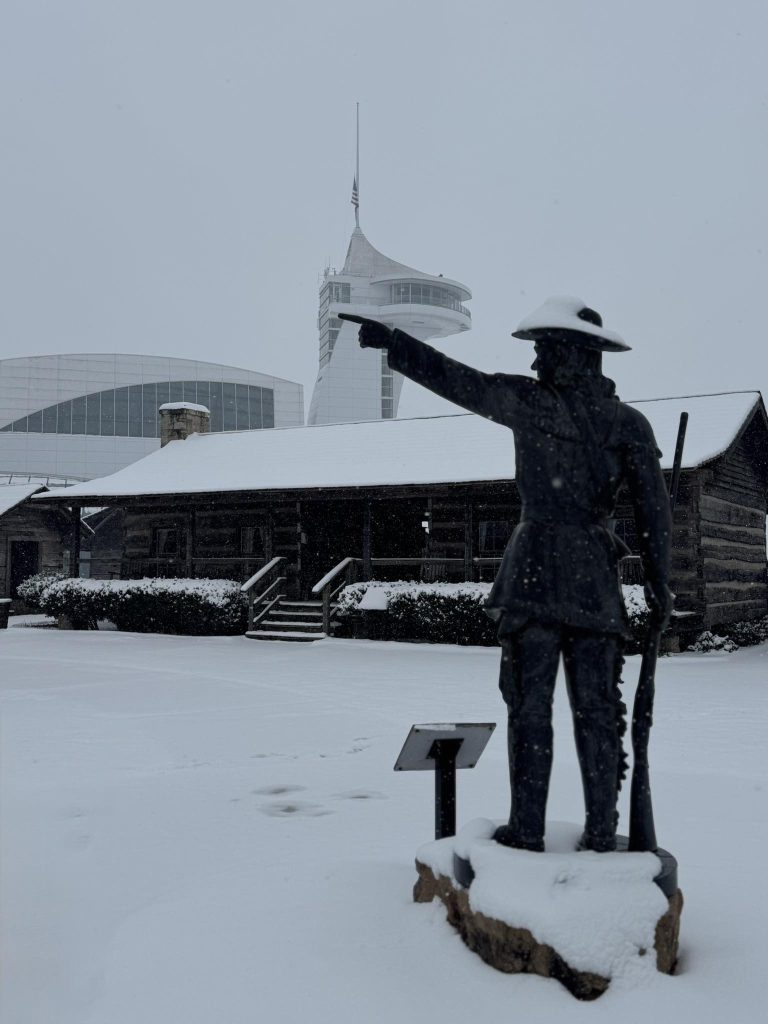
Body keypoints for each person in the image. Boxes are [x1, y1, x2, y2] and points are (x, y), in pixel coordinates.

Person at [343, 296, 673, 852]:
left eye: (546, 351)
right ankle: (597, 833)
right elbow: (654, 514)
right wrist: (660, 582)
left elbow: (457, 381)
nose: (537, 362)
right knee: (594, 713)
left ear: (577, 355)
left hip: (536, 574)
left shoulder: (530, 404)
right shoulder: (627, 424)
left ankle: (528, 831)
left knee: (532, 711)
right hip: (592, 579)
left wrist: (397, 344)